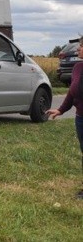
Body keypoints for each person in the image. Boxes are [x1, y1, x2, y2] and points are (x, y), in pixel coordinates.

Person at [46, 39, 83, 200]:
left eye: (82, 46)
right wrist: (61, 110)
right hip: (80, 119)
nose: (78, 49)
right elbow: (71, 92)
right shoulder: (77, 68)